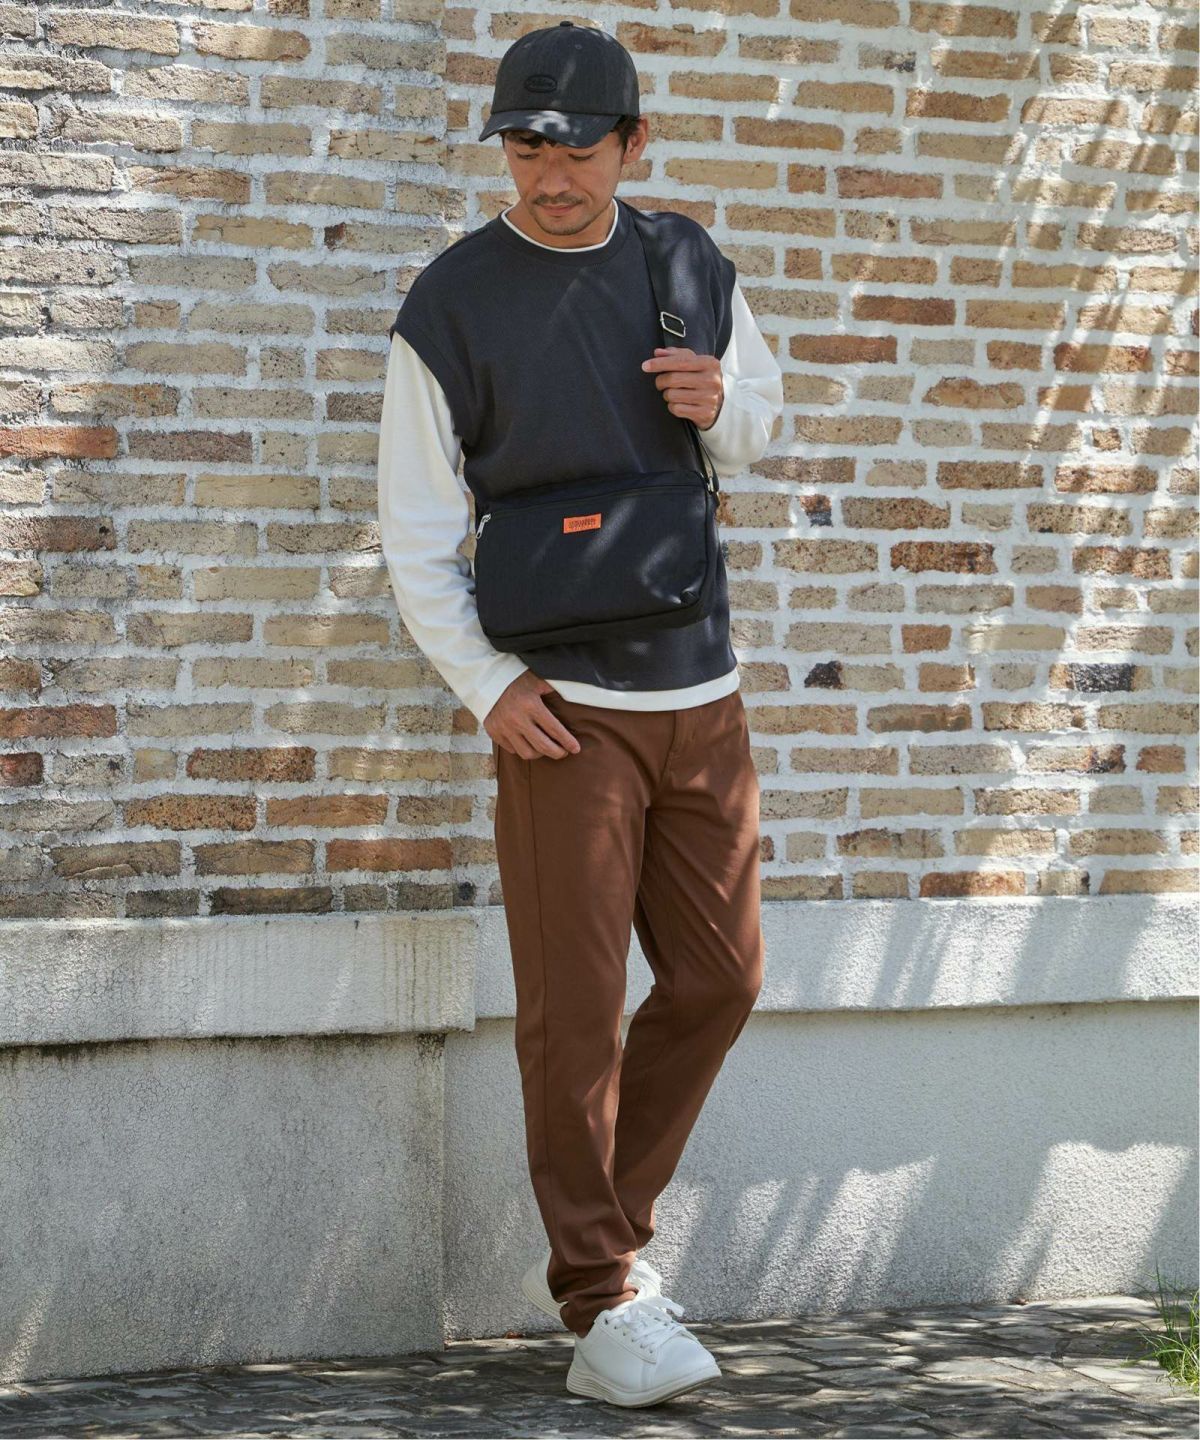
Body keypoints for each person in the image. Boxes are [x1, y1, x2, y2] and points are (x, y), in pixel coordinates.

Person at [377, 20, 784, 1408]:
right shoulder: (453, 302)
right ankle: (601, 1299)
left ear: (633, 144)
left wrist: (720, 400)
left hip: (702, 692)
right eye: (525, 148)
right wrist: (487, 686)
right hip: (564, 713)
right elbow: (416, 525)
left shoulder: (687, 264)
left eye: (577, 150)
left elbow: (760, 431)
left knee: (724, 979)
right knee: (575, 1011)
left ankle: (612, 1237)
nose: (549, 177)